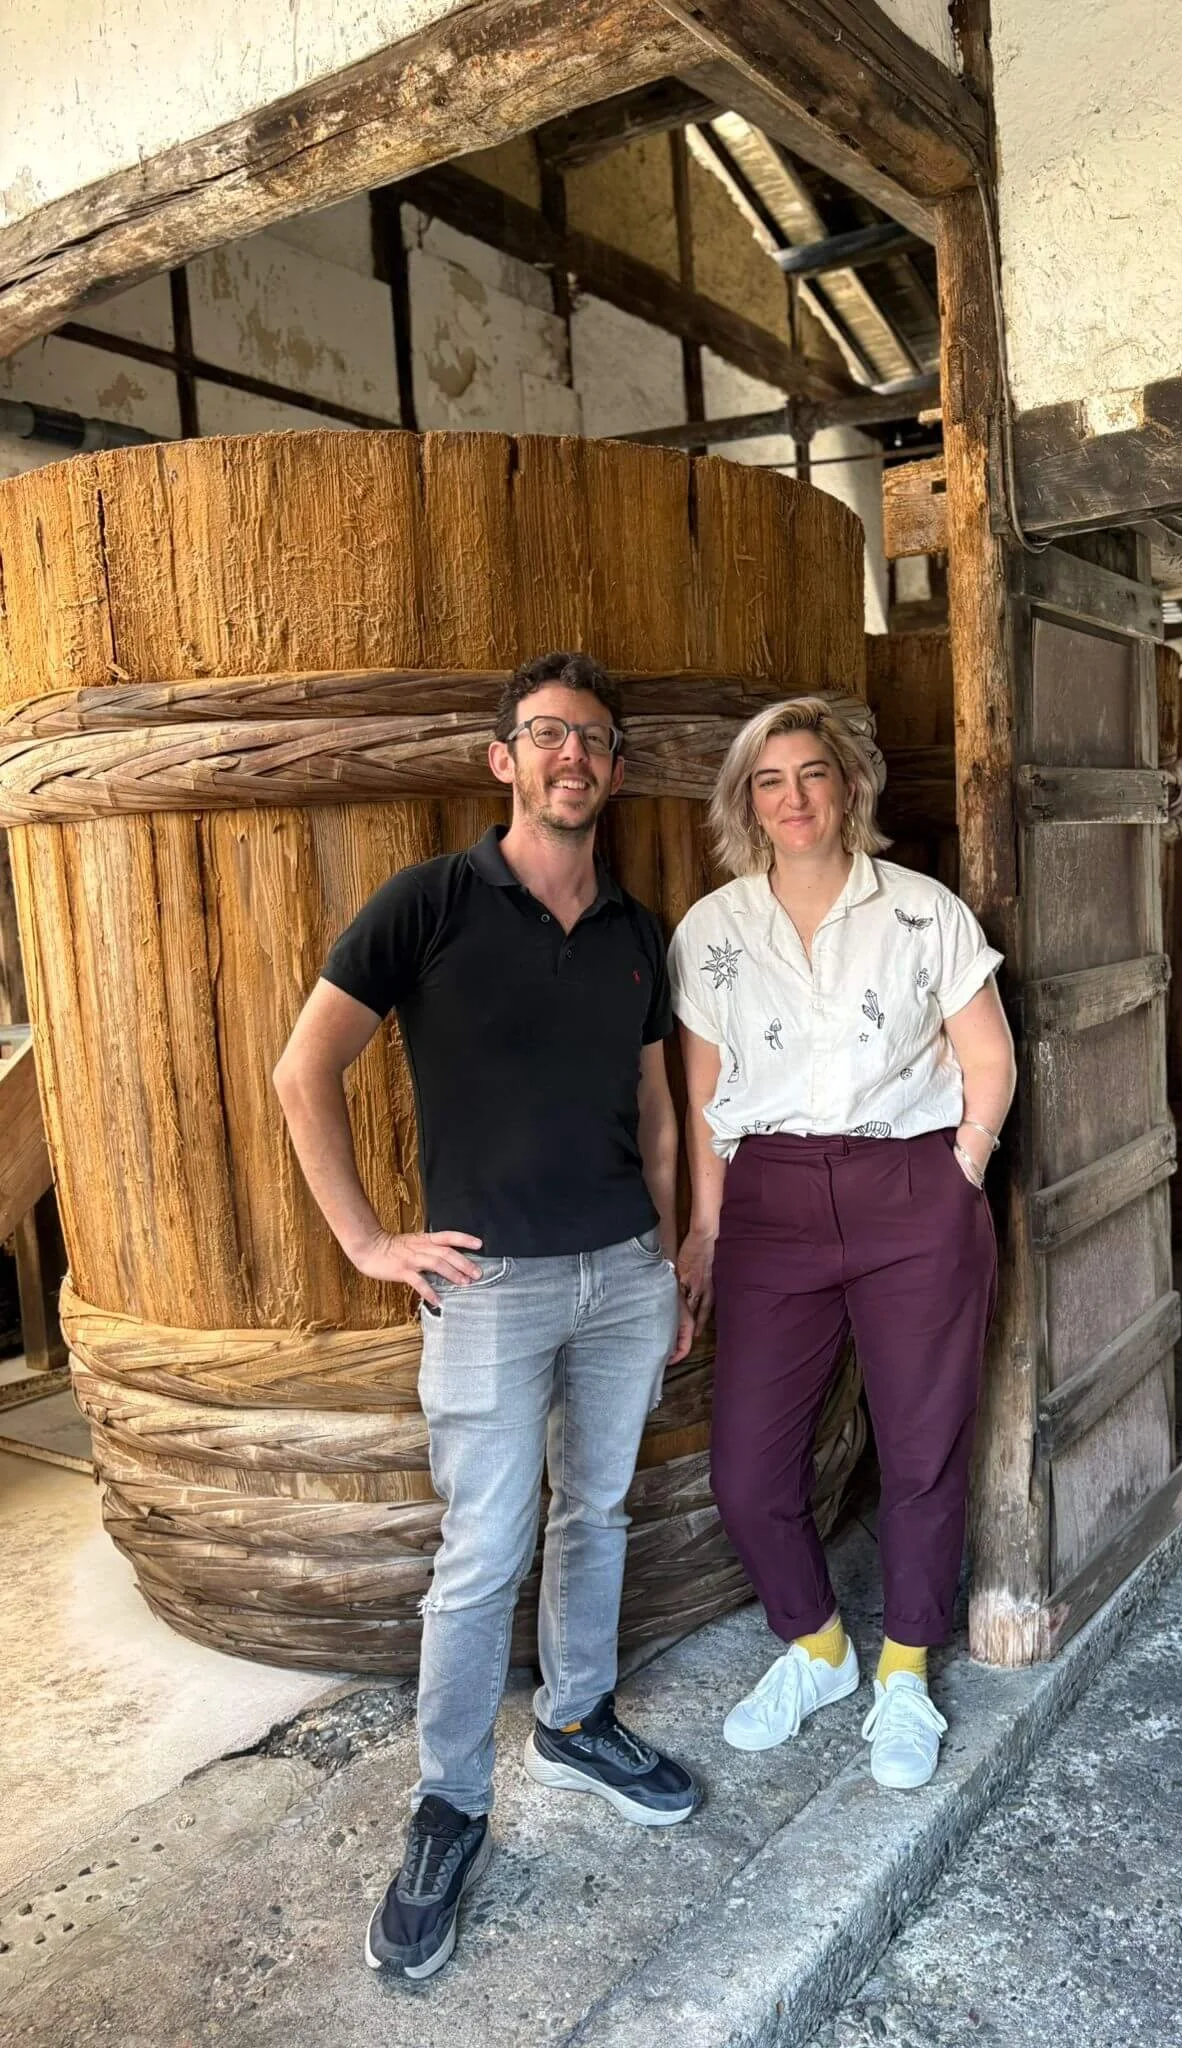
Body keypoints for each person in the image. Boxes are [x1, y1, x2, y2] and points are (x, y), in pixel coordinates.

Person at [274, 651, 697, 1983]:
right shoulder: (429, 904)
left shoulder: (635, 932)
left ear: (615, 773)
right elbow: (306, 1071)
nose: (573, 757)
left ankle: (574, 1726)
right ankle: (450, 1804)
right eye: (548, 736)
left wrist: (677, 1250)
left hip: (624, 1272)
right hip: (490, 1289)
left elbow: (654, 1114)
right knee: (483, 1548)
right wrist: (364, 1240)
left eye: (594, 742)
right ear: (504, 760)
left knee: (598, 1512)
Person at [669, 695, 1015, 1791]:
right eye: (770, 780)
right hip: (769, 1197)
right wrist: (707, 1229)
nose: (794, 796)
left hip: (911, 1186)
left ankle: (905, 1668)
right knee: (747, 1467)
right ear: (747, 802)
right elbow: (704, 1096)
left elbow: (990, 1055)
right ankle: (816, 1645)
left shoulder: (922, 912)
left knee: (921, 1444)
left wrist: (956, 1168)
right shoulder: (712, 931)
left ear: (849, 786)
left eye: (812, 773)